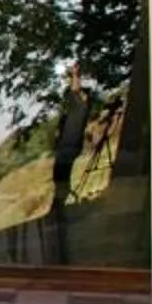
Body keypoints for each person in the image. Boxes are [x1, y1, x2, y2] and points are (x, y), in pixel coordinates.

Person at [51, 63, 93, 223]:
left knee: (60, 179)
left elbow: (75, 90)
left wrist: (75, 74)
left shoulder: (82, 107)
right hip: (66, 147)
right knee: (59, 179)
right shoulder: (74, 111)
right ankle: (59, 208)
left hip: (69, 148)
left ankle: (60, 210)